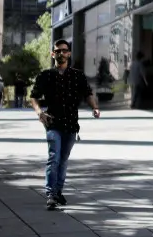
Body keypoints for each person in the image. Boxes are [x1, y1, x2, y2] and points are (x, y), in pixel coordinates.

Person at [30, 39, 101, 210]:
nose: (61, 53)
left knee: (63, 160)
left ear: (69, 53)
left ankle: (58, 191)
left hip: (71, 124)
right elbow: (34, 97)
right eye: (58, 51)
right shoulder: (45, 75)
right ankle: (50, 193)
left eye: (64, 50)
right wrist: (40, 112)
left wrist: (95, 108)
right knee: (54, 157)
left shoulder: (77, 76)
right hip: (53, 123)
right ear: (52, 54)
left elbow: (88, 93)